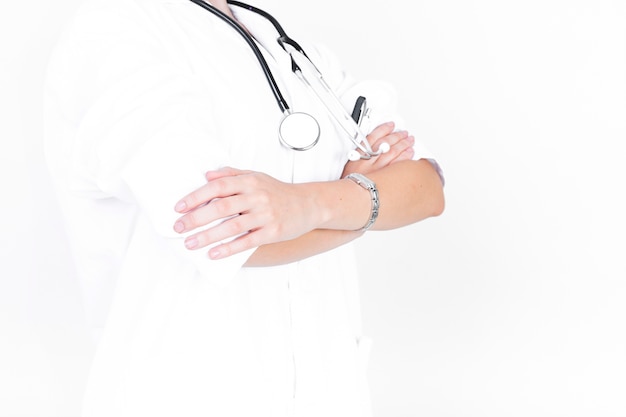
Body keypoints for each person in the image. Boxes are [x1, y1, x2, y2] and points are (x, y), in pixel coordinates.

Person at [43, 0, 445, 415]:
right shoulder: (115, 30)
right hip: (187, 392)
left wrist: (310, 204)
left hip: (327, 391)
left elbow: (427, 190)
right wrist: (362, 199)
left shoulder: (290, 48)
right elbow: (228, 236)